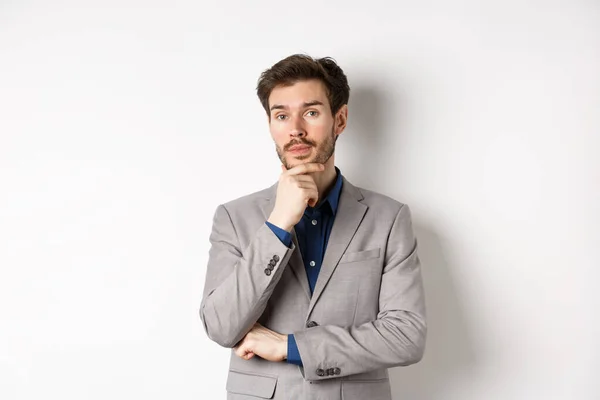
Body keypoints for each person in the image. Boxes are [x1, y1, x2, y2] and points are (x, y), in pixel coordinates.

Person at [200, 54, 427, 400]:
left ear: (340, 119)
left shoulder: (389, 218)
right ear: (270, 125)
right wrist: (277, 225)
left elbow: (406, 337)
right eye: (281, 115)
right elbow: (220, 326)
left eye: (311, 112)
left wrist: (290, 346)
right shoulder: (234, 218)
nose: (295, 130)